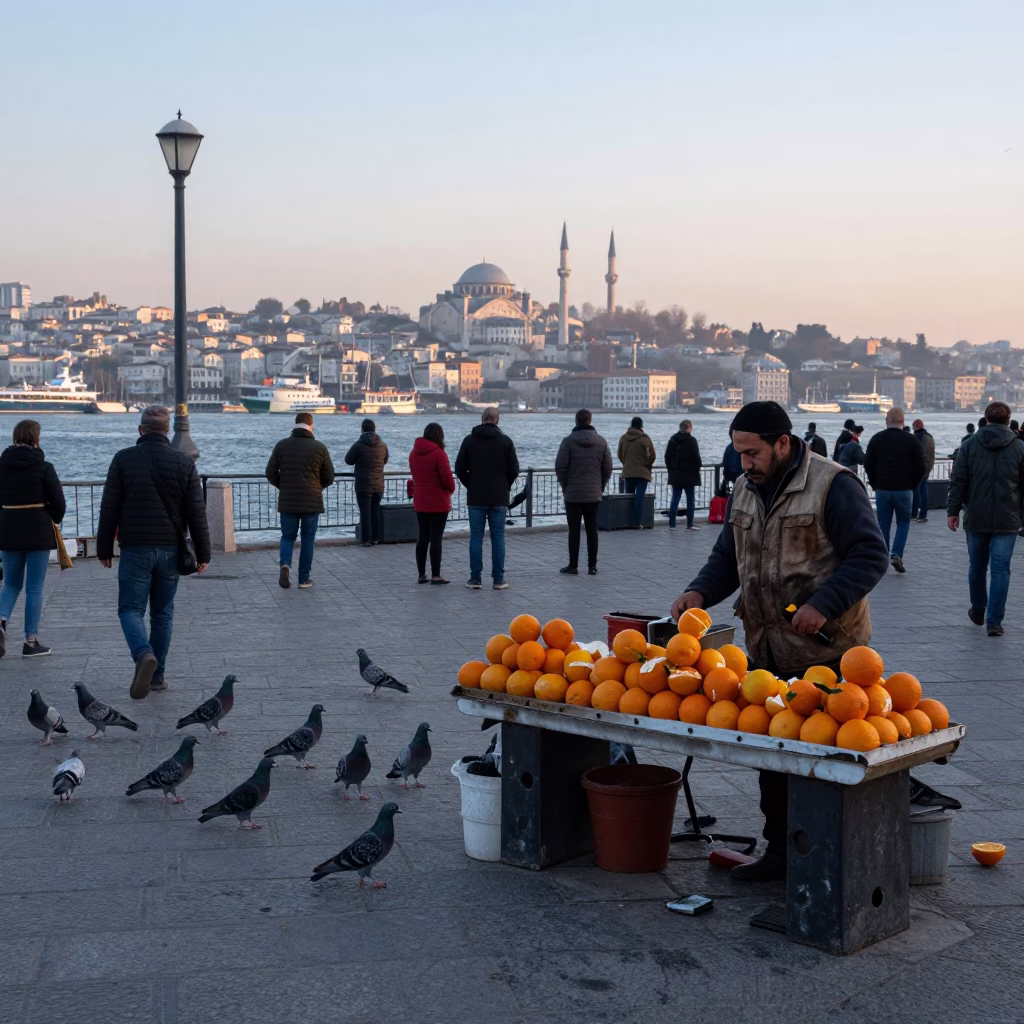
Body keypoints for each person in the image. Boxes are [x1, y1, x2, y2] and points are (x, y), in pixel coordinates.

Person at [671, 401, 888, 881]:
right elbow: (728, 554)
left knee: (826, 761)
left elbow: (872, 553)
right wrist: (699, 591)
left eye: (751, 453)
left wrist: (825, 603)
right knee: (774, 759)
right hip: (767, 652)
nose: (743, 463)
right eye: (738, 453)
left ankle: (832, 856)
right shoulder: (747, 489)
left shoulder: (834, 485)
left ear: (783, 444)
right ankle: (782, 853)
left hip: (829, 657)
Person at [97, 406, 211, 699]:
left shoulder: (123, 459)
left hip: (135, 547)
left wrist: (103, 546)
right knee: (162, 614)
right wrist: (204, 553)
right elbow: (196, 512)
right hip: (171, 548)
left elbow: (109, 506)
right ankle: (157, 675)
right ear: (167, 431)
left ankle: (142, 653)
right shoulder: (184, 462)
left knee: (130, 609)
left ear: (140, 430)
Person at [947, 401, 1024, 637]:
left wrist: (953, 511)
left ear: (986, 419)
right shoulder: (1019, 447)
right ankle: (994, 621)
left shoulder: (969, 446)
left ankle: (978, 608)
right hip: (1007, 518)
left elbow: (958, 481)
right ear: (1009, 420)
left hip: (976, 516)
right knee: (1001, 570)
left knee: (977, 567)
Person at [0, 419, 66, 658]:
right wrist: (54, 518)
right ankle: (31, 641)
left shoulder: (2, 465)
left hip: (8, 528)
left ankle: (0, 622)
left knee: (11, 583)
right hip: (37, 529)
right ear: (36, 438)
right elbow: (58, 502)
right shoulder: (44, 467)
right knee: (34, 588)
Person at [265, 412, 335, 589]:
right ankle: (304, 579)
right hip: (312, 500)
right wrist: (317, 487)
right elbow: (329, 476)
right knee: (308, 539)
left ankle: (285, 564)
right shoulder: (319, 448)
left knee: (287, 536)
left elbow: (270, 472)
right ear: (311, 425)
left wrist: (284, 486)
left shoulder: (282, 446)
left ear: (295, 424)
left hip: (288, 501)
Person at [455, 407, 519, 589]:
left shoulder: (469, 441)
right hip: (499, 497)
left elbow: (459, 468)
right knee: (498, 538)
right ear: (497, 421)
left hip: (476, 496)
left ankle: (475, 579)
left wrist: (471, 484)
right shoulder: (506, 442)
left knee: (476, 537)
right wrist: (504, 485)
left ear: (482, 419)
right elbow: (514, 470)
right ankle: (498, 579)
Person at [864, 408, 926, 574]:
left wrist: (875, 483)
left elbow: (868, 464)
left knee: (883, 523)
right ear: (903, 422)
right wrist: (913, 484)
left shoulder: (877, 439)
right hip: (904, 489)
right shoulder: (911, 440)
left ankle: (882, 557)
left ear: (886, 421)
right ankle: (896, 554)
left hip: (882, 488)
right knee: (903, 522)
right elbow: (921, 466)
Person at [554, 409, 612, 574]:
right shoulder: (601, 442)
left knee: (574, 531)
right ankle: (592, 566)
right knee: (592, 530)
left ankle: (573, 565)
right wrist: (599, 485)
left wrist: (565, 485)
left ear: (576, 421)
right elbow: (608, 467)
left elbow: (560, 467)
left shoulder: (568, 442)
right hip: (593, 494)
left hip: (572, 494)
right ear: (590, 420)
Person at [408, 422, 456, 584]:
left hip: (420, 500)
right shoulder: (439, 454)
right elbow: (447, 480)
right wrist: (450, 489)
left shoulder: (413, 453)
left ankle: (421, 575)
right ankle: (436, 575)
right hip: (438, 502)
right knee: (436, 538)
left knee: (422, 537)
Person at [345, 418, 389, 547]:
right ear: (375, 429)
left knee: (365, 512)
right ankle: (376, 537)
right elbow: (385, 460)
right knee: (375, 511)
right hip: (379, 483)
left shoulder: (359, 445)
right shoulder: (382, 445)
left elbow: (348, 460)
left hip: (363, 484)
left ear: (362, 429)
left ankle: (365, 540)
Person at [617, 417, 656, 528]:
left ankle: (627, 521)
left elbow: (620, 455)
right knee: (639, 498)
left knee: (628, 498)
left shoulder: (623, 438)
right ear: (641, 426)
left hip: (628, 472)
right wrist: (647, 463)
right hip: (642, 473)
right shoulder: (645, 439)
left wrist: (627, 463)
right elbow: (652, 456)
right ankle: (637, 522)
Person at [664, 420, 702, 531]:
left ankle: (672, 525)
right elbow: (696, 458)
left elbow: (667, 457)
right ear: (689, 427)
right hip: (690, 475)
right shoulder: (692, 441)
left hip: (676, 474)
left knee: (675, 498)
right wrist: (696, 468)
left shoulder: (673, 440)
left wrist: (671, 469)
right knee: (690, 499)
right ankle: (690, 524)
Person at [910, 418, 935, 523]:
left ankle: (914, 514)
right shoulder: (929, 437)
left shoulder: (916, 438)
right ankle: (923, 515)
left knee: (915, 493)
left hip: (917, 470)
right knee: (924, 493)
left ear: (915, 427)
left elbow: (914, 455)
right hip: (927, 469)